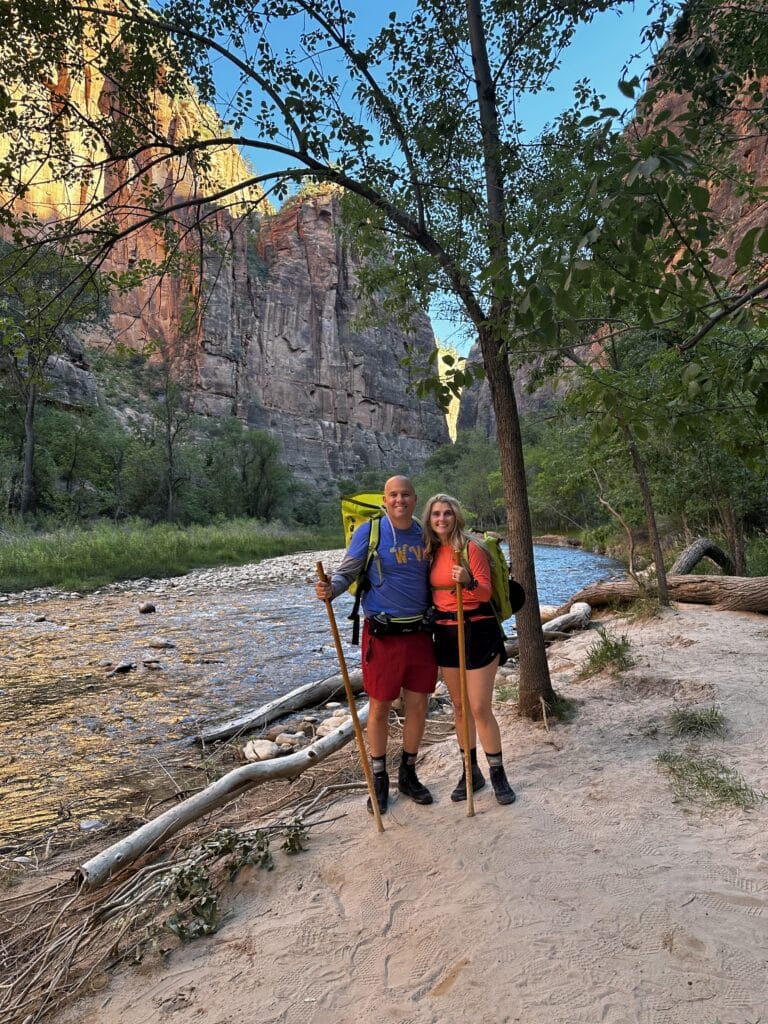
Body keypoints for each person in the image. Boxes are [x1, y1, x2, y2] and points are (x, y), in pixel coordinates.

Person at [315, 475, 437, 815]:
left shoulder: (426, 534)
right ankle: (380, 778)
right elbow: (347, 573)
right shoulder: (369, 532)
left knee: (417, 706)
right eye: (393, 495)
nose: (400, 500)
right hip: (381, 637)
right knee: (380, 707)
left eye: (406, 495)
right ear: (385, 500)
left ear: (415, 499)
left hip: (420, 635)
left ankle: (408, 775)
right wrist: (330, 589)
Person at [422, 493, 516, 806]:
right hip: (445, 633)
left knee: (479, 707)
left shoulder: (470, 548)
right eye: (436, 514)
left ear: (456, 516)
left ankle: (498, 774)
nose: (441, 519)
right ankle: (469, 771)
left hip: (478, 630)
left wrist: (468, 581)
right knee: (460, 708)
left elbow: (486, 590)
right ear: (429, 518)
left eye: (447, 513)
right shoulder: (430, 552)